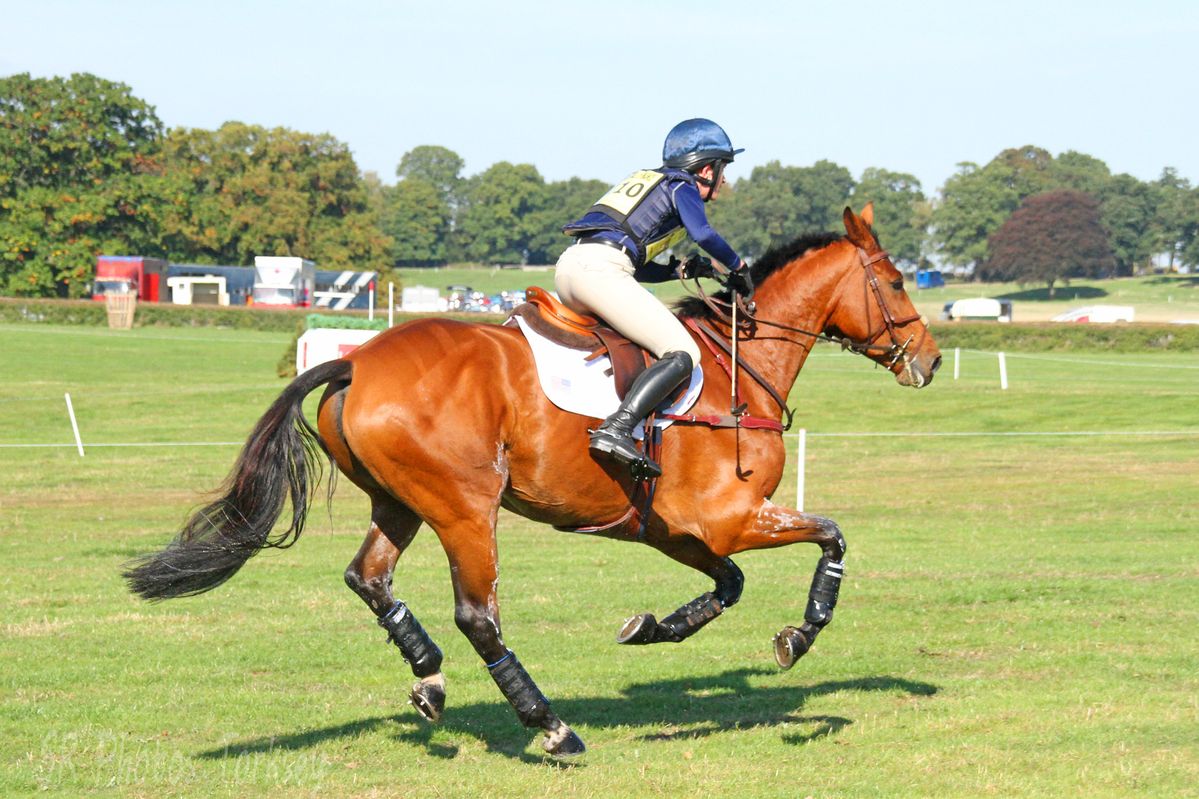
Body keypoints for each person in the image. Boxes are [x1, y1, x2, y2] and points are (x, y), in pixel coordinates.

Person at [555, 118, 754, 478]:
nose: (724, 180)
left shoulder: (650, 182)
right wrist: (738, 265)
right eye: (722, 170)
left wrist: (680, 271)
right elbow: (704, 235)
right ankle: (617, 428)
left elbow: (638, 263)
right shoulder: (682, 185)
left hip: (572, 268)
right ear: (705, 168)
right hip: (600, 270)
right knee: (684, 352)